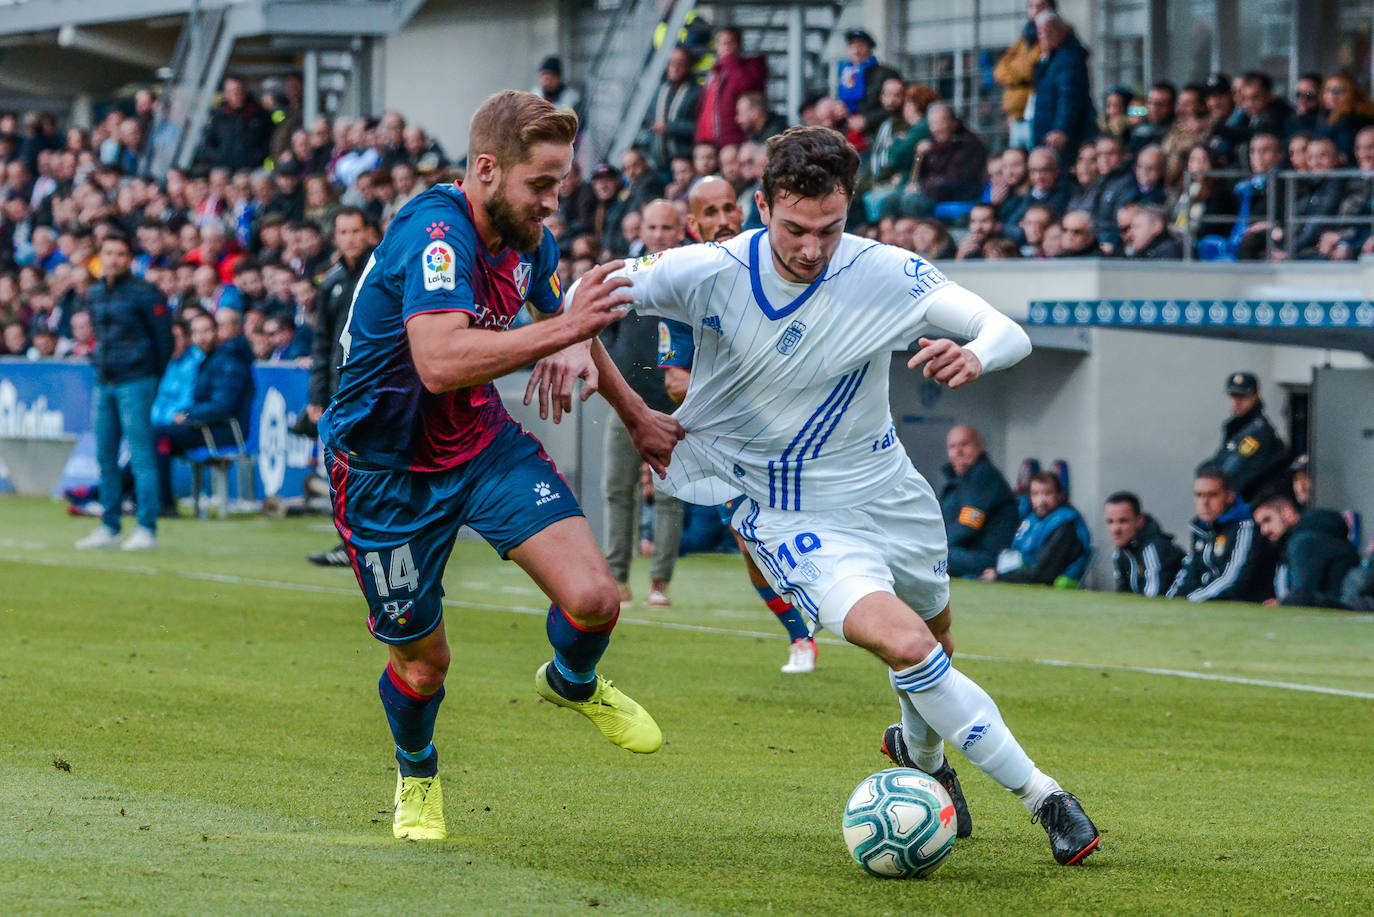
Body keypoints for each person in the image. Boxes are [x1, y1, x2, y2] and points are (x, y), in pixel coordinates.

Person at [568, 126, 1100, 864]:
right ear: (761, 206)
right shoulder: (709, 269)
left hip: (890, 491)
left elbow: (1005, 329)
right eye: (794, 229)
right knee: (907, 642)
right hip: (788, 511)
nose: (813, 248)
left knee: (935, 647)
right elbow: (583, 289)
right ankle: (1046, 798)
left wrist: (975, 354)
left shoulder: (885, 271)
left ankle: (924, 760)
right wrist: (627, 405)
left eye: (830, 228)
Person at [319, 91, 680, 841]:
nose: (553, 204)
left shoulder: (529, 240)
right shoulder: (435, 232)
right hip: (384, 471)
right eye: (540, 185)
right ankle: (417, 770)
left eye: (559, 184)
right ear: (487, 169)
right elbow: (442, 359)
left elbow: (565, 327)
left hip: (478, 443)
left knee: (596, 598)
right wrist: (566, 332)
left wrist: (638, 417)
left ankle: (571, 680)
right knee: (424, 666)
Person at [657, 175, 818, 674]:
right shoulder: (683, 287)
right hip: (737, 438)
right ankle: (800, 637)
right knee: (750, 541)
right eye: (710, 213)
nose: (724, 220)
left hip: (805, 423)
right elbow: (675, 381)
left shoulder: (779, 264)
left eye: (730, 208)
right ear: (692, 224)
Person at [601, 200, 686, 608]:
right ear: (642, 230)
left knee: (670, 495)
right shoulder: (622, 274)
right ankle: (617, 578)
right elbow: (604, 326)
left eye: (666, 227)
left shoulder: (690, 273)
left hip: (673, 402)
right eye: (651, 226)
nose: (658, 234)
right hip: (625, 399)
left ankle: (660, 582)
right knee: (617, 489)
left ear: (680, 230)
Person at [75, 231, 172, 552]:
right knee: (104, 455)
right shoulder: (96, 294)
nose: (113, 259)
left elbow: (164, 341)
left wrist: (150, 376)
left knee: (141, 455)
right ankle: (110, 525)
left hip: (136, 381)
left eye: (119, 253)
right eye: (108, 253)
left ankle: (147, 526)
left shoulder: (146, 294)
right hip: (105, 381)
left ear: (129, 258)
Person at [304, 207, 376, 566]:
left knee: (373, 467)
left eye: (355, 230)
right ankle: (348, 544)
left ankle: (373, 543)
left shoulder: (381, 274)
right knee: (342, 470)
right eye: (343, 232)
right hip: (339, 390)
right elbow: (322, 342)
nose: (349, 238)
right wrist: (318, 394)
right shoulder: (331, 282)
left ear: (368, 233)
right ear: (336, 237)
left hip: (376, 388)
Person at [151, 309, 255, 511]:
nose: (202, 337)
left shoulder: (228, 361)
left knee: (159, 437)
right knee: (154, 439)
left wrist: (189, 415)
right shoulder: (212, 359)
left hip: (223, 431)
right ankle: (128, 494)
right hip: (209, 427)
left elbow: (222, 407)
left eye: (207, 330)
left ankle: (163, 503)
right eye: (197, 333)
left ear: (218, 331)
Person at [1167, 465, 1275, 603]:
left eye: (1212, 495)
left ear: (1229, 497)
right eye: (1199, 495)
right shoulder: (1201, 529)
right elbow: (1189, 573)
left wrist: (1192, 600)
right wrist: (1171, 601)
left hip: (1242, 607)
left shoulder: (1245, 527)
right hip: (1206, 602)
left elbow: (1232, 579)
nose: (1204, 502)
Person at [983, 471, 1091, 586]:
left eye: (1048, 493)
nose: (1041, 500)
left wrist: (999, 577)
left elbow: (1043, 572)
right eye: (1035, 494)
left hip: (1054, 585)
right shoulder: (1032, 520)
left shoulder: (1065, 526)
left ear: (1060, 495)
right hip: (1026, 579)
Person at [940, 425, 1021, 579]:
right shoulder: (960, 479)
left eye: (964, 444)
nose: (958, 451)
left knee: (931, 556)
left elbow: (968, 525)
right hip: (968, 552)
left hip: (989, 557)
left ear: (979, 447)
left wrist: (934, 543)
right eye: (952, 446)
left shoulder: (983, 476)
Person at [1252, 494, 1359, 609]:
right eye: (1260, 525)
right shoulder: (1302, 539)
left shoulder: (1303, 543)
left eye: (1267, 520)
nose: (1264, 530)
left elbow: (1303, 596)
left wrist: (1283, 603)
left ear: (1287, 512)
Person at [1205, 372, 1288, 503]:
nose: (1236, 402)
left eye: (1243, 397)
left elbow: (1236, 470)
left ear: (1255, 396)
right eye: (1233, 396)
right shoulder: (1237, 427)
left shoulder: (1258, 433)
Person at [1030, 12, 1096, 165]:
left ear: (1062, 31)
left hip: (1061, 135)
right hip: (1049, 129)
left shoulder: (1068, 58)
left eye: (1049, 30)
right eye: (1040, 31)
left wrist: (1061, 128)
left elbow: (1069, 96)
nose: (1044, 36)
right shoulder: (1051, 57)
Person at [993, 0, 1054, 149]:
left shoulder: (1053, 36)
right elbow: (999, 70)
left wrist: (1015, 72)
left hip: (1038, 115)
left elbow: (1032, 69)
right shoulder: (1025, 38)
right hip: (1016, 117)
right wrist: (1020, 73)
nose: (1035, 10)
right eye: (1032, 6)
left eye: (1041, 6)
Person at [696, 27, 767, 148]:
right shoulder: (714, 73)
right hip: (709, 144)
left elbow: (743, 85)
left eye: (730, 42)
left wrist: (728, 60)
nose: (726, 47)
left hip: (736, 142)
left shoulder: (752, 67)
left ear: (739, 45)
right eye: (722, 43)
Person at [1104, 491, 1184, 597]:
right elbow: (1122, 594)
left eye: (1123, 521)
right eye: (1110, 521)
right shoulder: (1122, 551)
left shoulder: (1153, 548)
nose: (1115, 529)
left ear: (1139, 521)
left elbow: (1153, 598)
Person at [835, 29, 902, 147]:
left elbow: (896, 108)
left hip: (877, 137)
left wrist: (866, 120)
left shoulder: (886, 73)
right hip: (849, 139)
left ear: (870, 49)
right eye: (852, 46)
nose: (856, 51)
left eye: (860, 46)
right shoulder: (845, 76)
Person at [644, 47, 702, 172]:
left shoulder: (696, 92)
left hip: (685, 165)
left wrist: (671, 127)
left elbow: (700, 127)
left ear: (688, 67)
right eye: (671, 63)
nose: (675, 68)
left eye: (680, 64)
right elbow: (649, 122)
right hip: (660, 164)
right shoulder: (659, 91)